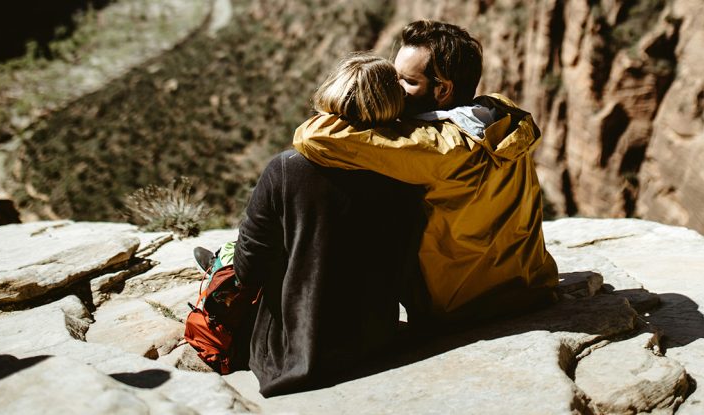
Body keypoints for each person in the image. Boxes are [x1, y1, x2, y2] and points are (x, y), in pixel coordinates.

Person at [293, 20, 559, 320]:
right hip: (529, 286)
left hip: (459, 306)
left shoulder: (435, 146)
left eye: (406, 81)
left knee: (310, 173)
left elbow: (313, 136)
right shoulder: (499, 113)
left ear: (443, 89)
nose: (394, 87)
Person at [231, 53, 425, 397]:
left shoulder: (287, 168)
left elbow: (249, 268)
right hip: (374, 339)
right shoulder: (408, 171)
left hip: (294, 352)